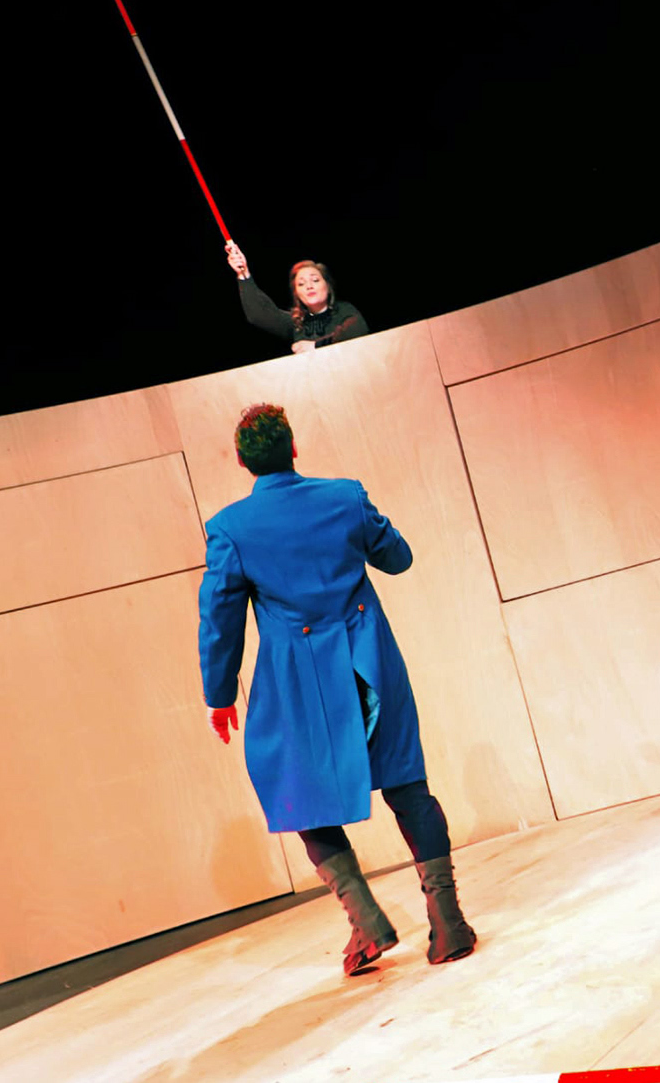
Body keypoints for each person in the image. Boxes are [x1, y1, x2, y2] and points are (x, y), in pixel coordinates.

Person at [197, 403, 476, 975]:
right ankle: (448, 923)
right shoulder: (346, 497)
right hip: (367, 664)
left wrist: (219, 696)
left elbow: (219, 619)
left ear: (242, 463)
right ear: (294, 448)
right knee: (407, 787)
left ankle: (366, 922)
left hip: (298, 684)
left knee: (295, 791)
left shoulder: (230, 528)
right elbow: (398, 558)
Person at [224, 241, 369, 353]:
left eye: (315, 280)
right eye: (301, 284)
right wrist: (243, 273)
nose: (309, 286)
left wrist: (316, 345)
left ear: (328, 286)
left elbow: (357, 330)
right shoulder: (296, 322)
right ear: (297, 294)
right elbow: (260, 314)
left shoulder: (344, 310)